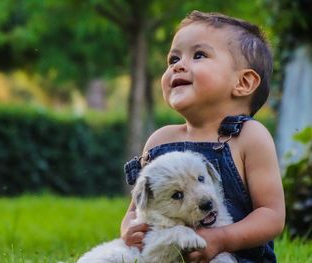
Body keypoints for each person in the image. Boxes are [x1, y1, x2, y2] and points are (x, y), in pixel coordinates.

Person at [121, 10, 285, 263]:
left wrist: (221, 239)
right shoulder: (159, 140)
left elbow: (271, 215)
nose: (178, 65)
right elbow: (137, 209)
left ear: (243, 83)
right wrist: (129, 229)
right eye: (172, 59)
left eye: (199, 55)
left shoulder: (249, 137)